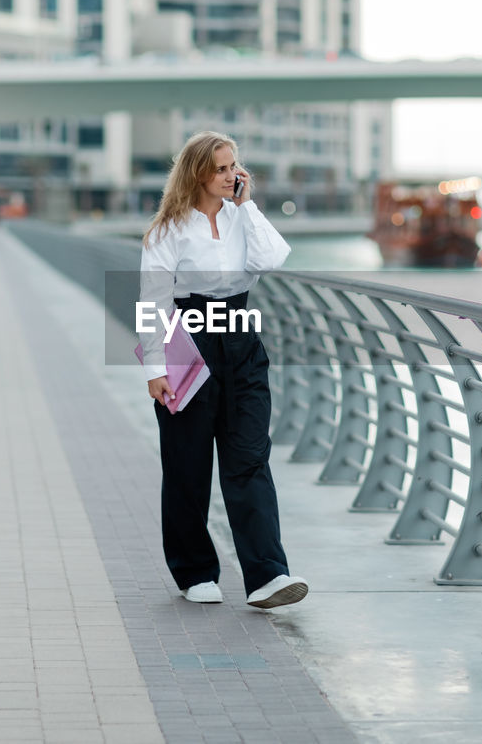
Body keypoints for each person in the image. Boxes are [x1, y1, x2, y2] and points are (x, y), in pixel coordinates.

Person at [139, 131, 307, 609]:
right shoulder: (167, 231)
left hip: (240, 339)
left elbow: (270, 258)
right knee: (188, 464)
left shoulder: (241, 219)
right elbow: (152, 299)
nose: (232, 174)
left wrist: (247, 206)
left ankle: (267, 576)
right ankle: (194, 572)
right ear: (197, 173)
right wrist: (155, 367)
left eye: (235, 166)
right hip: (187, 340)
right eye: (221, 168)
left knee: (250, 455)